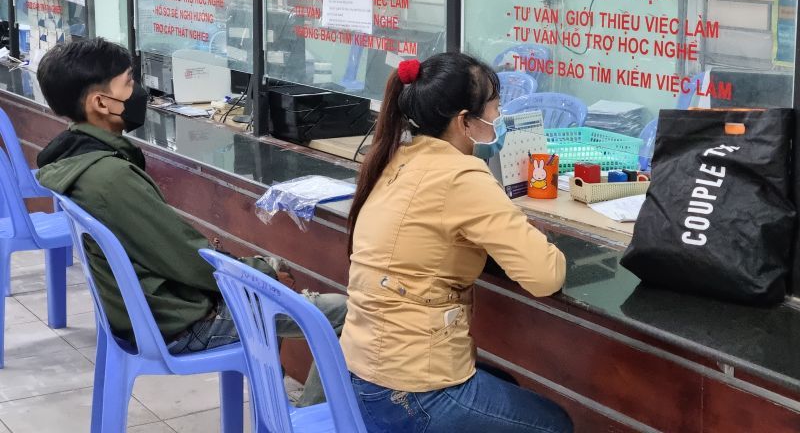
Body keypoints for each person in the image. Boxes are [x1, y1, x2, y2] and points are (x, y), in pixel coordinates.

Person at [34, 38, 347, 407]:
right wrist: (261, 272)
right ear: (101, 103)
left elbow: (175, 251)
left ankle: (274, 406)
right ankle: (308, 420)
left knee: (266, 277)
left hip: (149, 311)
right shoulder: (111, 178)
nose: (140, 92)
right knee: (342, 313)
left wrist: (257, 272)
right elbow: (188, 259)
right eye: (130, 82)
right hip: (179, 322)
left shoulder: (78, 160)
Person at [341, 52, 573, 432]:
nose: (498, 117)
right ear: (464, 121)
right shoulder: (461, 175)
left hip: (366, 373)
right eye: (495, 107)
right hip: (411, 390)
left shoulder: (396, 157)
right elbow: (545, 276)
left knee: (506, 388)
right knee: (553, 424)